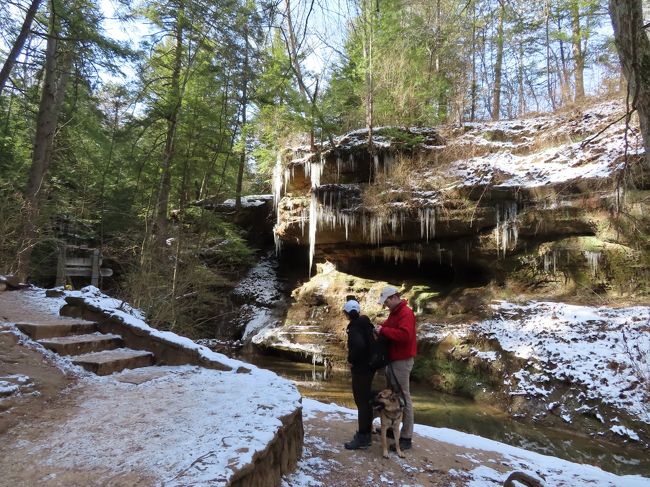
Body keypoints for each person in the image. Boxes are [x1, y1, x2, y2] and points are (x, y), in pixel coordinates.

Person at [375, 285, 416, 451]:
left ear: (393, 297)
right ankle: (393, 428)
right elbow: (389, 327)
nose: (385, 305)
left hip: (402, 360)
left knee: (404, 398)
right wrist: (380, 329)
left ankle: (406, 437)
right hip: (393, 359)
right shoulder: (395, 313)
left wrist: (384, 330)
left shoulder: (406, 313)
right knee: (393, 396)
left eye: (386, 302)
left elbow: (405, 336)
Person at [342, 298, 376, 450]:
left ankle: (362, 437)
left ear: (346, 313)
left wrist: (351, 360)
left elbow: (359, 345)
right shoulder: (366, 324)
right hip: (370, 367)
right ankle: (367, 434)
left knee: (361, 402)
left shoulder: (355, 327)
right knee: (367, 401)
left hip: (361, 368)